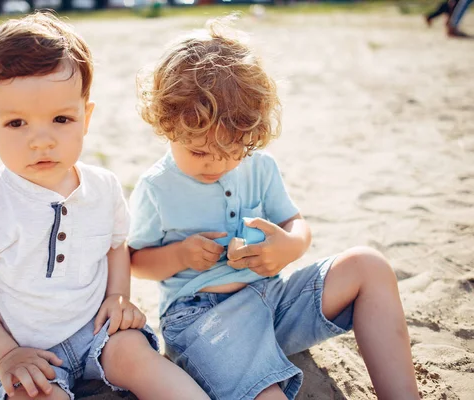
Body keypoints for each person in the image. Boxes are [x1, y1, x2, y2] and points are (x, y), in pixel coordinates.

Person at [128, 16, 420, 400]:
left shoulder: (259, 166)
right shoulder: (157, 187)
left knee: (369, 265)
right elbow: (135, 260)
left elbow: (295, 222)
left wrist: (289, 247)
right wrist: (180, 254)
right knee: (264, 391)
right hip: (203, 321)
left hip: (273, 303)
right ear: (167, 126)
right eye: (199, 151)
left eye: (231, 152)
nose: (215, 163)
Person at [0, 12, 209, 400]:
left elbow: (115, 245)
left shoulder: (103, 186)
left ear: (86, 118)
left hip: (98, 333)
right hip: (28, 354)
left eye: (61, 118)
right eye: (16, 124)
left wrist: (117, 297)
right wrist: (5, 354)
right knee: (34, 392)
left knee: (141, 359)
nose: (41, 140)